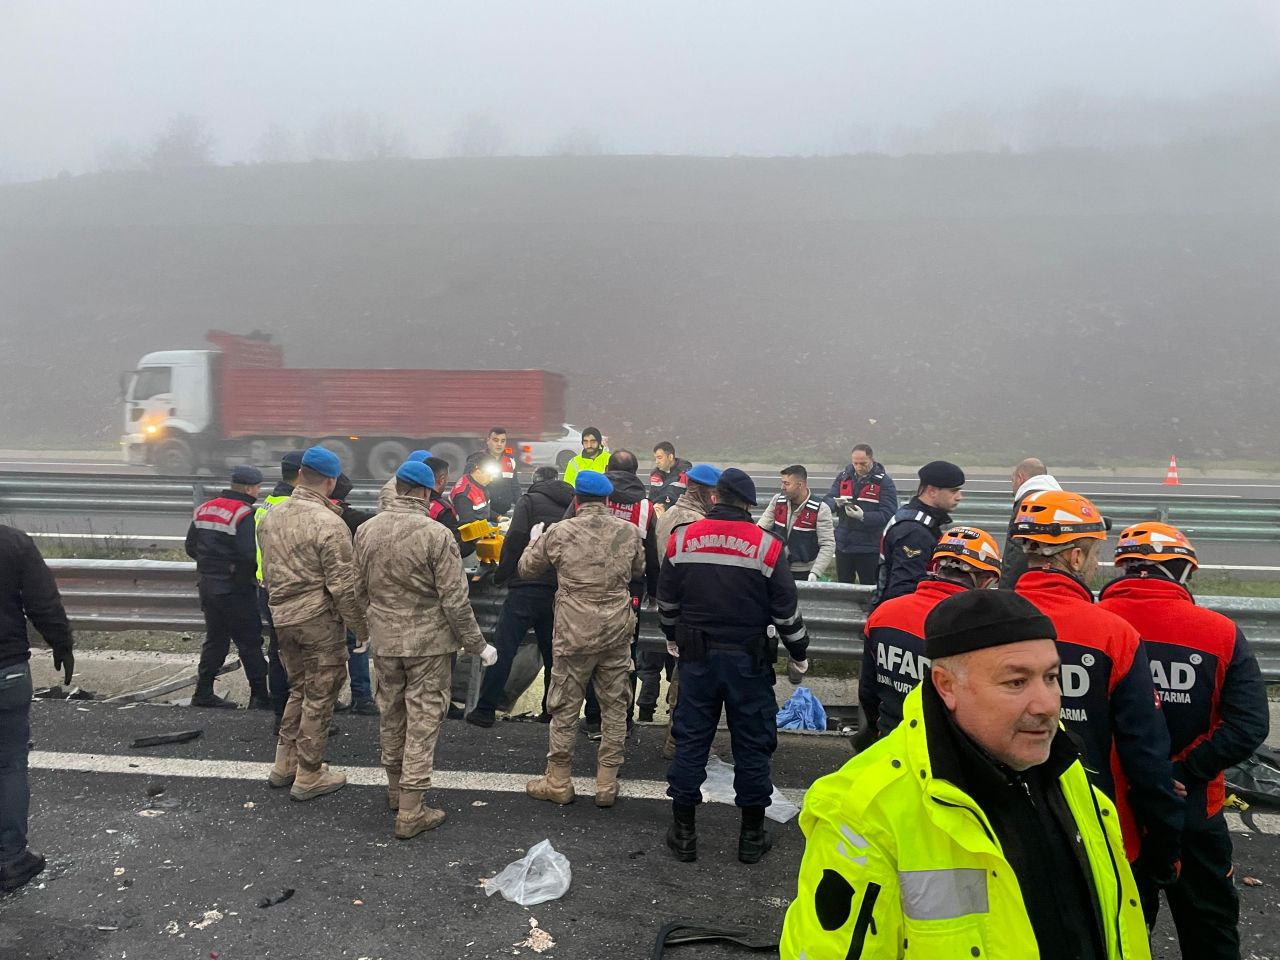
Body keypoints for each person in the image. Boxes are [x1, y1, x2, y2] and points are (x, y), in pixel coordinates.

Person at [780, 590, 1152, 960]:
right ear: (946, 685)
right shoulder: (863, 810)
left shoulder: (1063, 762)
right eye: (1016, 682)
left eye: (1052, 677)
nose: (1047, 705)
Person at [1099, 522, 1269, 956]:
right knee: (1209, 929)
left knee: (1120, 933)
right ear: (1181, 571)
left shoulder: (1090, 627)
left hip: (1108, 808)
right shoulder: (1220, 632)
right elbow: (1248, 725)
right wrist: (1184, 772)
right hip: (1193, 806)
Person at [1012, 489, 1184, 900]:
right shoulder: (1113, 634)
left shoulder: (980, 619)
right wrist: (1164, 846)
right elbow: (1145, 753)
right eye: (1093, 555)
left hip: (1001, 826)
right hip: (1093, 831)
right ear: (1074, 557)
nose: (1095, 564)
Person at [659, 468, 809, 865]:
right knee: (753, 745)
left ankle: (685, 835)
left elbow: (667, 603)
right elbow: (786, 613)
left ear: (715, 498)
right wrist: (800, 653)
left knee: (691, 740)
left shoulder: (682, 539)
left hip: (696, 661)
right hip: (748, 661)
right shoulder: (768, 546)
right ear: (747, 503)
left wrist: (674, 637)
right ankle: (750, 838)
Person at [353, 460, 497, 838]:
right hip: (428, 645)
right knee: (422, 721)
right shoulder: (436, 535)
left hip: (385, 642)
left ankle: (395, 791)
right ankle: (412, 810)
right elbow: (454, 599)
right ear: (424, 492)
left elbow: (357, 589)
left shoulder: (366, 530)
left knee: (391, 714)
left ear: (399, 487)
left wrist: (360, 631)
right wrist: (477, 644)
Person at [518, 471, 645, 809]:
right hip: (617, 630)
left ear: (577, 500)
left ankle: (558, 780)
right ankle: (606, 783)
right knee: (615, 705)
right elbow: (638, 570)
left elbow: (528, 569)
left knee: (564, 705)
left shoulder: (560, 532)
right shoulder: (629, 531)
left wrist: (534, 541)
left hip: (574, 631)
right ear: (607, 501)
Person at [258, 446, 369, 801]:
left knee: (298, 690)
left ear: (300, 474)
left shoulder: (271, 516)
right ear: (331, 481)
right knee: (321, 696)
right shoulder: (328, 523)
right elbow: (343, 587)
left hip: (281, 618)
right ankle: (309, 773)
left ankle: (283, 763)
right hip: (318, 622)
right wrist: (361, 630)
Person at [857, 526, 1002, 745]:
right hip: (949, 753)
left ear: (936, 567)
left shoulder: (884, 613)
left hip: (891, 742)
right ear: (985, 580)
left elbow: (868, 691)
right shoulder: (984, 631)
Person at [466, 465, 574, 728]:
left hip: (525, 585)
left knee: (504, 648)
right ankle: (551, 712)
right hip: (556, 588)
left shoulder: (529, 500)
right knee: (553, 654)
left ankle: (485, 710)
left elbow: (515, 538)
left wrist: (503, 573)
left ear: (536, 481)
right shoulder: (572, 504)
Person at [0, 523, 72, 893]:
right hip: (6, 670)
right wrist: (62, 643)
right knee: (9, 764)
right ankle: (11, 859)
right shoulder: (12, 542)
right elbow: (43, 602)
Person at [577, 449, 660, 734]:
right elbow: (652, 555)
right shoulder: (646, 508)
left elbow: (566, 530)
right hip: (629, 590)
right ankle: (622, 717)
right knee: (626, 654)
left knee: (590, 650)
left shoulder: (594, 498)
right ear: (636, 473)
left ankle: (593, 716)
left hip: (587, 585)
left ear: (608, 469)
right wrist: (656, 591)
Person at [649, 463, 722, 751]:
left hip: (672, 607)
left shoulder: (670, 515)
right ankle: (677, 741)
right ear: (705, 492)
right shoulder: (693, 523)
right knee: (687, 680)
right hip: (689, 609)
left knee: (683, 675)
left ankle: (676, 737)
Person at [185, 465, 269, 709]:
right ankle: (260, 696)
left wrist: (211, 565)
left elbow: (190, 547)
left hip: (208, 586)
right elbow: (248, 555)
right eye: (257, 487)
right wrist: (244, 577)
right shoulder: (244, 513)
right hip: (235, 589)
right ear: (248, 488)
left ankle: (203, 692)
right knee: (250, 642)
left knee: (216, 640)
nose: (258, 491)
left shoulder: (205, 508)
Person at [874, 459, 965, 605]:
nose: (959, 496)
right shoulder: (914, 531)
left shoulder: (920, 519)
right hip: (902, 616)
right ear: (932, 491)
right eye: (953, 491)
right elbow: (904, 588)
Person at [256, 450, 304, 722]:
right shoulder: (293, 509)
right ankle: (295, 718)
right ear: (302, 474)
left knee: (278, 652)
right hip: (290, 590)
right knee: (301, 656)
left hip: (266, 587)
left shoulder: (267, 505)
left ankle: (280, 714)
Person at [331, 472, 378, 716]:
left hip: (319, 594)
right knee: (356, 642)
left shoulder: (317, 513)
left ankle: (327, 698)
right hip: (347, 588)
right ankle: (362, 697)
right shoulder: (351, 517)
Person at [823, 444, 898, 585]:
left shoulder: (884, 482)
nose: (859, 467)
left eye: (863, 463)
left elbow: (889, 514)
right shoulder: (843, 477)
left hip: (869, 547)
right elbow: (827, 499)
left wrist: (864, 516)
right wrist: (835, 503)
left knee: (869, 587)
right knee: (843, 587)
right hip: (843, 544)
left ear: (871, 459)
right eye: (855, 463)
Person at [758, 464, 835, 582]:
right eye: (782, 482)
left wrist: (815, 572)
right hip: (777, 567)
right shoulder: (777, 501)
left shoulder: (821, 508)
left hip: (804, 572)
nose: (782, 487)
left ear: (800, 485)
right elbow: (760, 530)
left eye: (787, 483)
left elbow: (827, 544)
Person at [1000, 456, 1061, 588]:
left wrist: (1006, 593)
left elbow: (1016, 554)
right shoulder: (1062, 501)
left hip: (1026, 589)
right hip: (1057, 586)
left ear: (1019, 478)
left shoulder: (1027, 504)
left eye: (1012, 481)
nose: (1013, 487)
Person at [450, 451, 499, 528]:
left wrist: (498, 518)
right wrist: (492, 527)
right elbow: (468, 525)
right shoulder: (463, 495)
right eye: (489, 475)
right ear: (478, 471)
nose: (491, 479)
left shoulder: (479, 483)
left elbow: (482, 509)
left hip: (482, 531)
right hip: (470, 537)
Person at [484, 427, 521, 520]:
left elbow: (515, 487)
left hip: (503, 514)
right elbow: (471, 490)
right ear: (488, 441)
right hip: (483, 515)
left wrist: (522, 507)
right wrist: (496, 516)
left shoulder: (510, 460)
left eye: (503, 441)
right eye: (495, 440)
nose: (499, 444)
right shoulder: (478, 460)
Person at [648, 441, 692, 511]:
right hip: (657, 513)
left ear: (670, 457)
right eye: (655, 458)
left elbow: (690, 501)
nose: (656, 462)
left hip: (678, 515)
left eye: (659, 458)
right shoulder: (654, 475)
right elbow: (651, 499)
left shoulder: (686, 474)